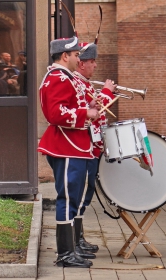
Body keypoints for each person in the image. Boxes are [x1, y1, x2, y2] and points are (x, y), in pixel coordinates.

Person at [38, 36, 101, 268]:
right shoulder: (57, 77)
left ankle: (72, 248)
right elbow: (55, 114)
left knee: (73, 198)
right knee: (67, 198)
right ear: (65, 56)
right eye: (76, 55)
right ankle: (65, 254)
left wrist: (88, 108)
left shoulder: (63, 77)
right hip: (66, 146)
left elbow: (69, 107)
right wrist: (86, 114)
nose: (79, 59)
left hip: (74, 145)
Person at [73, 42, 116, 255]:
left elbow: (94, 107)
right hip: (85, 146)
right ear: (81, 64)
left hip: (93, 147)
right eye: (92, 62)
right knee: (81, 193)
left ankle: (78, 238)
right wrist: (107, 93)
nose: (95, 65)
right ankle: (74, 240)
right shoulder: (78, 84)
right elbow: (91, 112)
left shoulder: (86, 84)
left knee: (87, 193)